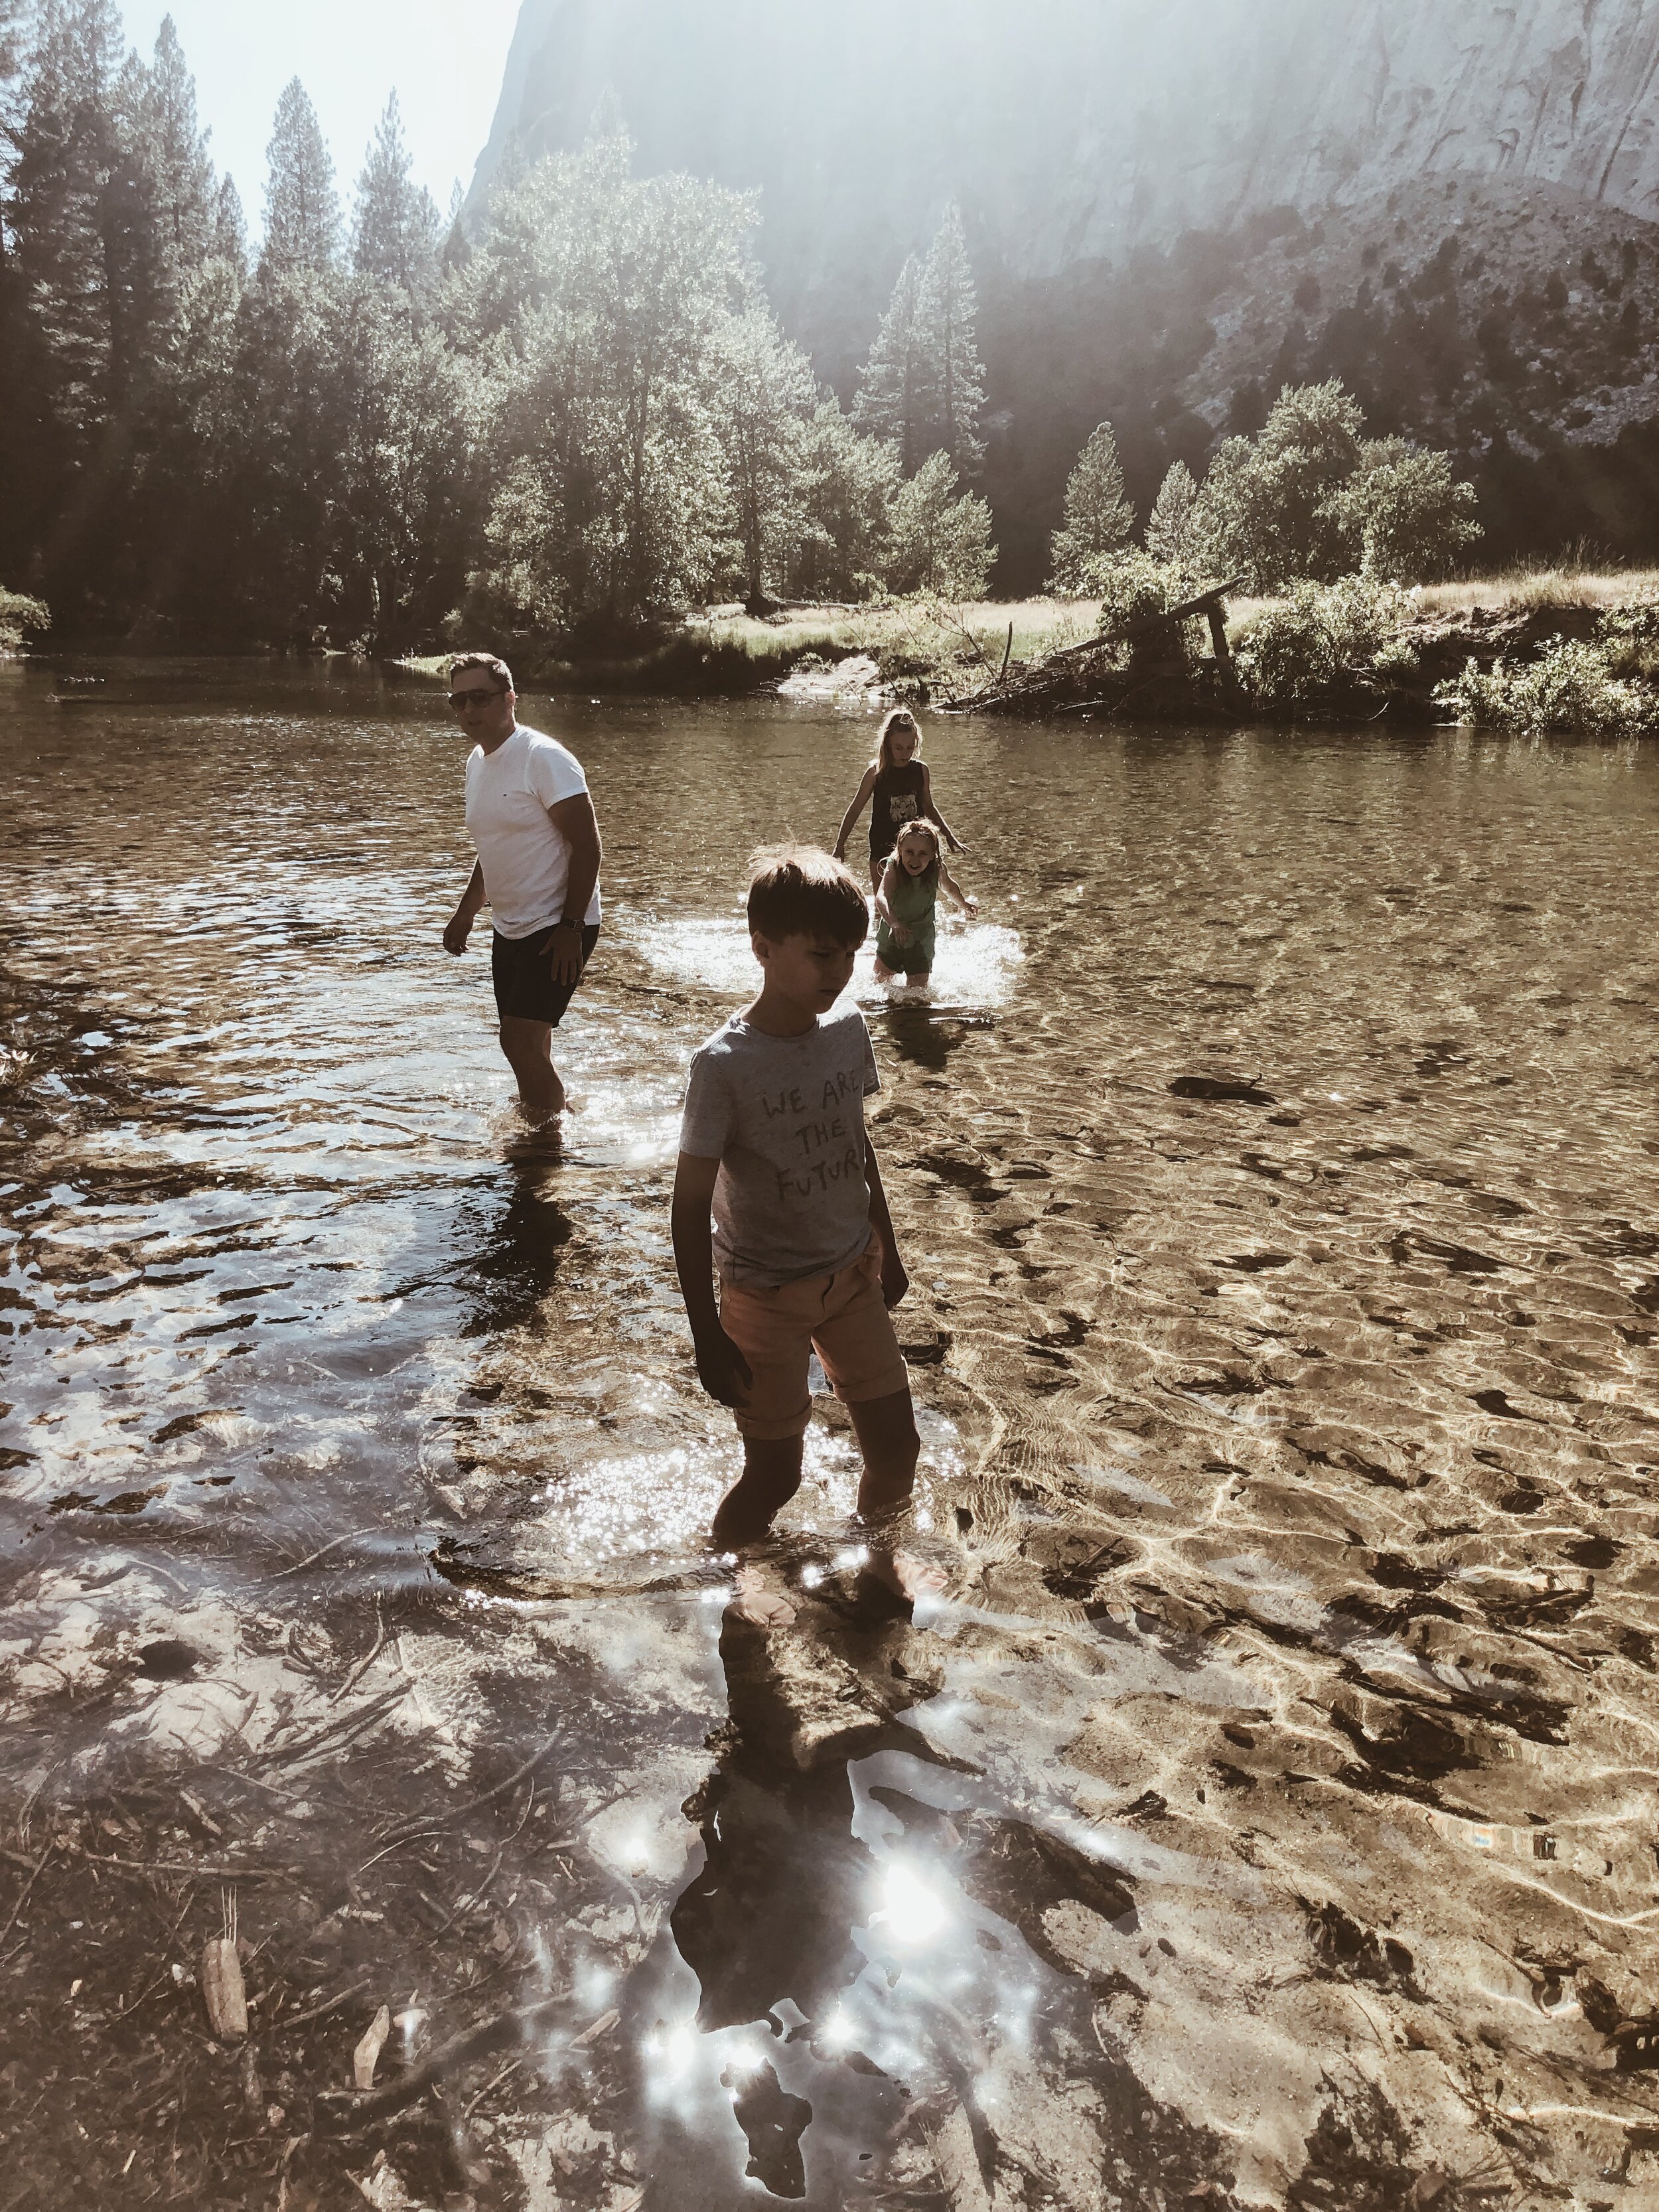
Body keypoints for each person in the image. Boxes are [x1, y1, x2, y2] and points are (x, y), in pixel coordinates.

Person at [672, 846, 919, 1548]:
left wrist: (889, 1250)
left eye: (848, 955)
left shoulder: (847, 1032)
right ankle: (737, 1584)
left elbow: (856, 1147)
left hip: (851, 1278)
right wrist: (705, 1334)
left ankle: (876, 1569)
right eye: (819, 956)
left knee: (897, 1450)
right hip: (762, 1298)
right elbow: (688, 1208)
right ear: (762, 948)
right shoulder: (721, 1067)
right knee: (776, 1477)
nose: (838, 974)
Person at [440, 653, 602, 1118]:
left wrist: (571, 927)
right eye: (459, 700)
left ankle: (545, 1151)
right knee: (531, 1041)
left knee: (517, 1039)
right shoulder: (477, 762)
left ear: (510, 698)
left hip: (558, 924)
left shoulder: (543, 759)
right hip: (510, 925)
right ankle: (556, 1113)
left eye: (480, 697)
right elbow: (492, 845)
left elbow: (588, 847)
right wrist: (467, 911)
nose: (469, 709)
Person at [831, 707, 966, 894]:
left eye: (910, 748)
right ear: (887, 743)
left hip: (917, 847)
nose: (905, 753)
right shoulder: (876, 773)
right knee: (883, 902)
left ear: (916, 743)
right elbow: (855, 809)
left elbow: (929, 806)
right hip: (882, 845)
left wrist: (949, 835)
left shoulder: (921, 771)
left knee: (916, 899)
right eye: (899, 748)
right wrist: (840, 844)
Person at [873, 818, 977, 989]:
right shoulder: (894, 866)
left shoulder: (936, 868)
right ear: (900, 850)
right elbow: (881, 896)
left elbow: (949, 888)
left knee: (918, 991)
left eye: (923, 853)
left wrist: (963, 904)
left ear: (932, 854)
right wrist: (894, 923)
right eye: (909, 852)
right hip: (893, 934)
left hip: (921, 938)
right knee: (880, 983)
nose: (915, 859)